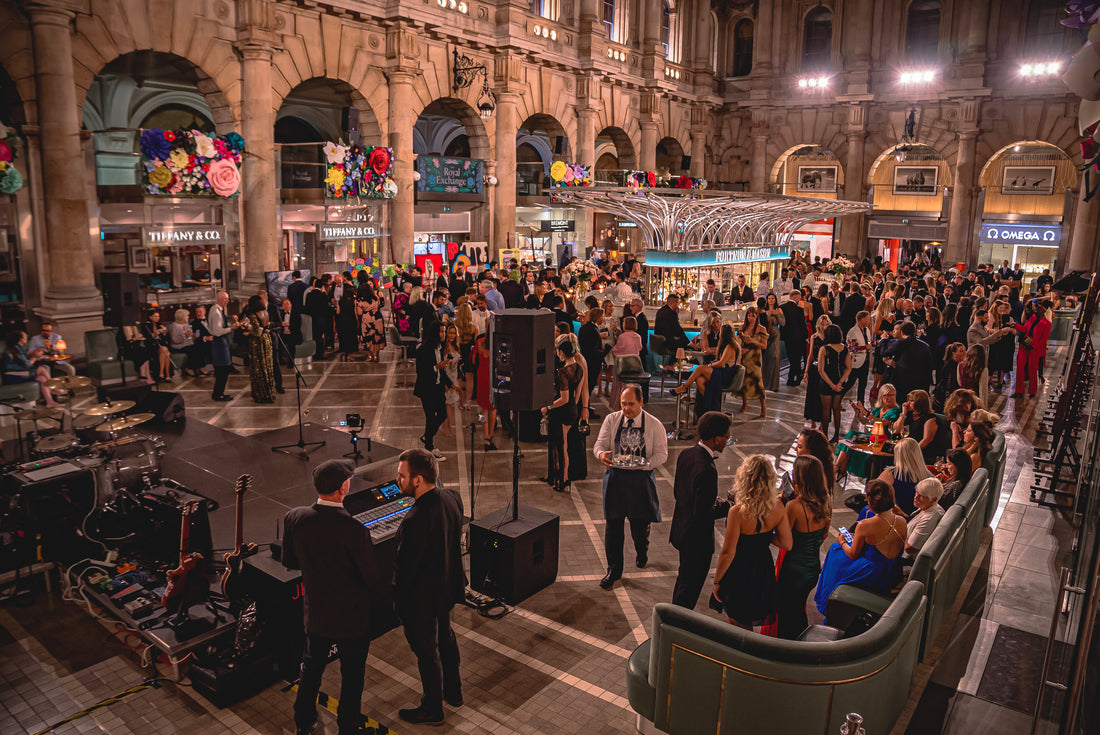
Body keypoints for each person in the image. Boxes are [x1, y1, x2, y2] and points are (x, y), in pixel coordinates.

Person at [282, 459, 384, 735]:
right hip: (351, 619)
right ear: (344, 488)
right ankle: (348, 727)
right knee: (352, 676)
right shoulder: (354, 531)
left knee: (311, 668)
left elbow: (290, 560)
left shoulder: (295, 517)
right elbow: (371, 578)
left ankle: (304, 721)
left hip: (316, 613)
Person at [393, 449, 466, 726]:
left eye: (402, 476)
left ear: (418, 480)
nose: (397, 480)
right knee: (445, 637)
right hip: (445, 589)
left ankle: (432, 708)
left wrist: (398, 604)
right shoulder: (452, 499)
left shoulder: (415, 520)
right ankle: (454, 691)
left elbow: (405, 571)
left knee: (427, 652)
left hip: (421, 600)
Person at [593, 384, 669, 589]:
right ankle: (613, 570)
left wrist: (645, 465)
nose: (626, 409)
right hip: (615, 480)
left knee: (639, 528)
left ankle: (642, 550)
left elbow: (662, 455)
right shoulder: (612, 420)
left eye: (631, 404)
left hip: (640, 482)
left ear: (641, 402)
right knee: (613, 527)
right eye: (623, 404)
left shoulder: (654, 425)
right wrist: (601, 455)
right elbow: (598, 445)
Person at [711, 455, 793, 629]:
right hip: (763, 569)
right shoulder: (778, 507)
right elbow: (787, 543)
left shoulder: (737, 512)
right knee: (748, 619)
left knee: (736, 622)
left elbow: (728, 552)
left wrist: (717, 581)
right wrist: (763, 536)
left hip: (739, 570)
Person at [814, 479, 907, 617]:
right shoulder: (901, 520)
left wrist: (842, 542)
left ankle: (827, 602)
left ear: (869, 500)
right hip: (891, 569)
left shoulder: (865, 524)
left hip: (871, 571)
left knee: (835, 551)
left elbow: (852, 554)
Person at [669, 412, 733, 609]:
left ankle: (673, 617)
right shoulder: (707, 468)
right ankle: (677, 626)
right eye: (726, 437)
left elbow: (679, 492)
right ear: (716, 439)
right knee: (689, 589)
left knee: (683, 581)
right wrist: (729, 506)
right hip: (697, 541)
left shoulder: (686, 454)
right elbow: (703, 513)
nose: (727, 440)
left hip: (681, 530)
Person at [776, 455, 831, 639]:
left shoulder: (794, 506)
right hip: (812, 566)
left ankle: (789, 648)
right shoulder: (825, 502)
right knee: (798, 608)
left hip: (794, 570)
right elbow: (823, 535)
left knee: (786, 613)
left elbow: (784, 539)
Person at [540, 340, 586, 492]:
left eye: (558, 351)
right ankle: (561, 478)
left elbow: (564, 398)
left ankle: (563, 479)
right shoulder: (580, 369)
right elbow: (576, 395)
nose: (557, 354)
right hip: (572, 410)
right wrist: (573, 407)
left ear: (563, 353)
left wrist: (548, 407)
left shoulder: (562, 373)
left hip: (561, 412)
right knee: (563, 446)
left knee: (560, 448)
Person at [835, 384, 901, 482]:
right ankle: (839, 469)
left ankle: (838, 470)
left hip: (884, 440)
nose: (889, 398)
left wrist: (866, 413)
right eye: (886, 395)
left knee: (852, 439)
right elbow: (866, 421)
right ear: (881, 396)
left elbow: (882, 422)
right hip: (873, 437)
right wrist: (858, 412)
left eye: (892, 395)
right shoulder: (879, 409)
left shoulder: (896, 410)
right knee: (850, 438)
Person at [675, 324, 740, 414]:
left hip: (725, 374)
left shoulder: (730, 346)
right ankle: (711, 405)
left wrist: (710, 365)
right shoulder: (725, 345)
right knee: (699, 380)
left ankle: (684, 387)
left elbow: (721, 363)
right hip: (722, 371)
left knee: (701, 368)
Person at [414, 321, 450, 461]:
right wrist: (436, 367)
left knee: (442, 414)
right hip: (427, 388)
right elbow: (420, 371)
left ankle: (427, 437)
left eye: (444, 332)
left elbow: (442, 371)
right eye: (441, 332)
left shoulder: (440, 348)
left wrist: (451, 384)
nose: (444, 334)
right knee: (430, 416)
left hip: (438, 387)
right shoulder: (423, 349)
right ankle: (429, 445)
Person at [875, 437, 932, 514]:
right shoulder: (929, 476)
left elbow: (873, 494)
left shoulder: (890, 474)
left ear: (898, 455)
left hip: (894, 516)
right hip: (915, 517)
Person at [2, 331, 59, 406]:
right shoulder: (14, 349)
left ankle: (50, 402)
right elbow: (26, 365)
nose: (26, 337)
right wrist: (35, 357)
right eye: (25, 336)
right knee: (41, 369)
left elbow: (23, 361)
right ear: (20, 339)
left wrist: (33, 356)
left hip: (19, 373)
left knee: (42, 378)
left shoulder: (18, 348)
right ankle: (53, 388)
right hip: (13, 376)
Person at [818, 324, 853, 442]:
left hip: (826, 382)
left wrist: (831, 385)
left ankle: (825, 436)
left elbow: (820, 370)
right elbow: (849, 368)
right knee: (836, 409)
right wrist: (839, 382)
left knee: (826, 410)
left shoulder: (824, 349)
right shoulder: (845, 348)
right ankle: (837, 436)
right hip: (839, 381)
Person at [892, 389, 945, 466]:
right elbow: (895, 430)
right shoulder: (908, 415)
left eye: (911, 401)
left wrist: (911, 453)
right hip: (905, 450)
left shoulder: (930, 418)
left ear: (919, 403)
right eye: (908, 400)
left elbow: (927, 439)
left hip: (921, 453)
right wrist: (903, 414)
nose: (907, 403)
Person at [882, 321, 932, 400]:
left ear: (901, 332)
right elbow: (929, 367)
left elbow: (884, 353)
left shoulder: (901, 343)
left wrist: (883, 340)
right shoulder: (925, 346)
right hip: (920, 383)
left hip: (903, 383)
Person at [241, 295, 276, 404]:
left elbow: (256, 331)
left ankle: (261, 395)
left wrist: (247, 329)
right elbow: (265, 327)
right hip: (267, 340)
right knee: (268, 367)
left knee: (259, 368)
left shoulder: (253, 314)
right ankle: (270, 393)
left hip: (258, 343)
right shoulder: (265, 312)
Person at [1013, 300, 1052, 397]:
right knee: (1020, 369)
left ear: (1043, 310)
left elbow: (1044, 340)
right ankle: (1019, 391)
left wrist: (1033, 346)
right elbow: (1025, 329)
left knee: (1032, 370)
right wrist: (1016, 326)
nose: (1034, 310)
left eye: (1037, 308)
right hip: (1024, 345)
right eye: (1034, 307)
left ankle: (1032, 391)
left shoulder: (1047, 323)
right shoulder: (1033, 318)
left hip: (1034, 349)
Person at [207, 291, 241, 401]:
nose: (227, 301)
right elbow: (217, 331)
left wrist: (230, 325)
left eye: (227, 298)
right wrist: (231, 328)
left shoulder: (218, 310)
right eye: (225, 299)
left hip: (221, 342)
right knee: (222, 370)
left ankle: (219, 392)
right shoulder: (216, 312)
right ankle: (218, 394)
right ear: (219, 299)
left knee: (223, 369)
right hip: (219, 343)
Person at [738, 307, 770, 418]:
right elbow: (738, 341)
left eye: (753, 316)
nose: (750, 318)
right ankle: (744, 403)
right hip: (744, 357)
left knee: (758, 382)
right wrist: (740, 348)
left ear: (757, 317)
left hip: (755, 359)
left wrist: (753, 341)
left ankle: (763, 407)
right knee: (744, 381)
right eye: (749, 315)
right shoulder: (743, 327)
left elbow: (764, 346)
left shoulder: (761, 329)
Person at [608, 316, 643, 411]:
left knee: (618, 383)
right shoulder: (638, 337)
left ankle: (618, 404)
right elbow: (640, 348)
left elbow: (616, 350)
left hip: (623, 368)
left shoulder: (622, 337)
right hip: (635, 367)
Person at [906, 478, 945, 557]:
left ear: (934, 499)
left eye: (921, 496)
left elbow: (910, 549)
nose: (916, 497)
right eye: (917, 492)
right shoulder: (928, 506)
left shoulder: (930, 518)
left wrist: (898, 531)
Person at [803, 315, 830, 430]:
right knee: (812, 395)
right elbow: (811, 355)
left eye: (826, 324)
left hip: (826, 369)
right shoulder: (814, 337)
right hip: (814, 369)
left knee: (823, 397)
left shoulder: (831, 337)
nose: (824, 326)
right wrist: (806, 371)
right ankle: (813, 421)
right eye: (822, 324)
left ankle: (823, 423)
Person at [844, 310, 874, 404]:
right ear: (861, 319)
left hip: (865, 360)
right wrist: (865, 347)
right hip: (856, 361)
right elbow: (851, 348)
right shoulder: (852, 332)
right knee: (850, 383)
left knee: (863, 384)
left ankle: (860, 404)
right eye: (867, 319)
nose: (869, 321)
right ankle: (837, 398)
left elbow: (868, 343)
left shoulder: (867, 330)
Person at [780, 292, 808, 385]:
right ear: (795, 297)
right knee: (796, 358)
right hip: (798, 337)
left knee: (791, 357)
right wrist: (806, 336)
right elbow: (803, 325)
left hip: (787, 337)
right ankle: (794, 377)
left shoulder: (782, 307)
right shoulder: (799, 309)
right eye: (799, 298)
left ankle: (792, 378)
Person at [440, 324, 462, 436]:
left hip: (454, 378)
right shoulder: (444, 348)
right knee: (447, 404)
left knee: (450, 404)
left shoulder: (456, 346)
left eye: (454, 333)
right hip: (446, 379)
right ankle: (448, 427)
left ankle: (447, 426)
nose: (452, 335)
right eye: (450, 333)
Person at [761, 293, 785, 392]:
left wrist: (776, 314)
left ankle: (774, 385)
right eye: (769, 298)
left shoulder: (779, 310)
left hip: (775, 335)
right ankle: (765, 383)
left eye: (772, 298)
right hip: (766, 335)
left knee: (775, 357)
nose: (771, 300)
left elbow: (783, 323)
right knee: (767, 358)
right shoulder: (764, 311)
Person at [140, 310, 172, 382]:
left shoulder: (161, 325)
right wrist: (155, 334)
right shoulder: (146, 326)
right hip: (152, 346)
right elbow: (147, 338)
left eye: (158, 316)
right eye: (155, 316)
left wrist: (164, 333)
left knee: (165, 350)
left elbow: (165, 339)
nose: (158, 318)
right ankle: (167, 374)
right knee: (166, 351)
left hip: (161, 345)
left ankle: (161, 373)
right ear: (150, 317)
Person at [167, 309, 198, 377]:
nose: (188, 317)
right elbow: (175, 340)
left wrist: (194, 336)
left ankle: (194, 367)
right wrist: (184, 334)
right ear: (182, 317)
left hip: (187, 344)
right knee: (192, 349)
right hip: (177, 346)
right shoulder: (174, 326)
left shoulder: (186, 324)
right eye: (187, 316)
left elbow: (190, 338)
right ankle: (188, 368)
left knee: (197, 347)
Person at [359, 288, 386, 363]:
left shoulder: (377, 296)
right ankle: (370, 355)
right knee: (368, 338)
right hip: (367, 321)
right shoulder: (362, 300)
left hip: (375, 319)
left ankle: (375, 354)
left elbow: (382, 304)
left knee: (375, 337)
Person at [189, 305, 213, 376]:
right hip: (201, 341)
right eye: (197, 312)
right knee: (200, 346)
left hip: (213, 339)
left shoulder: (210, 320)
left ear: (205, 312)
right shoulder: (194, 323)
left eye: (200, 311)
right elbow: (197, 334)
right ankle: (201, 367)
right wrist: (205, 338)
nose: (198, 313)